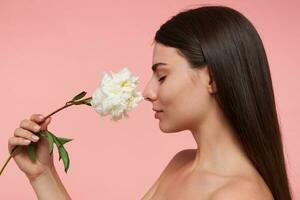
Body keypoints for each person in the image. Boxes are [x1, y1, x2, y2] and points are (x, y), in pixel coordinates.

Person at [8, 5, 292, 200]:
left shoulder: (239, 195)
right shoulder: (181, 164)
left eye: (163, 75)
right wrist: (42, 172)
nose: (147, 91)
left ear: (213, 78)